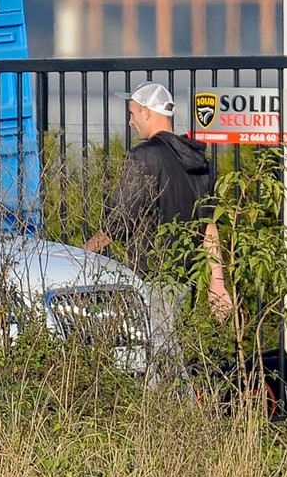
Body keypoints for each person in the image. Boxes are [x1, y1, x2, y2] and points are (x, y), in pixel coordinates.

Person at [83, 81, 232, 333]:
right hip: (187, 278)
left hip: (152, 274)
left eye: (133, 113)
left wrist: (85, 251)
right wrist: (217, 285)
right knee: (172, 350)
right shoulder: (197, 159)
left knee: (160, 354)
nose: (131, 121)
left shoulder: (144, 156)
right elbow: (208, 225)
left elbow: (121, 219)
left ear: (148, 112)